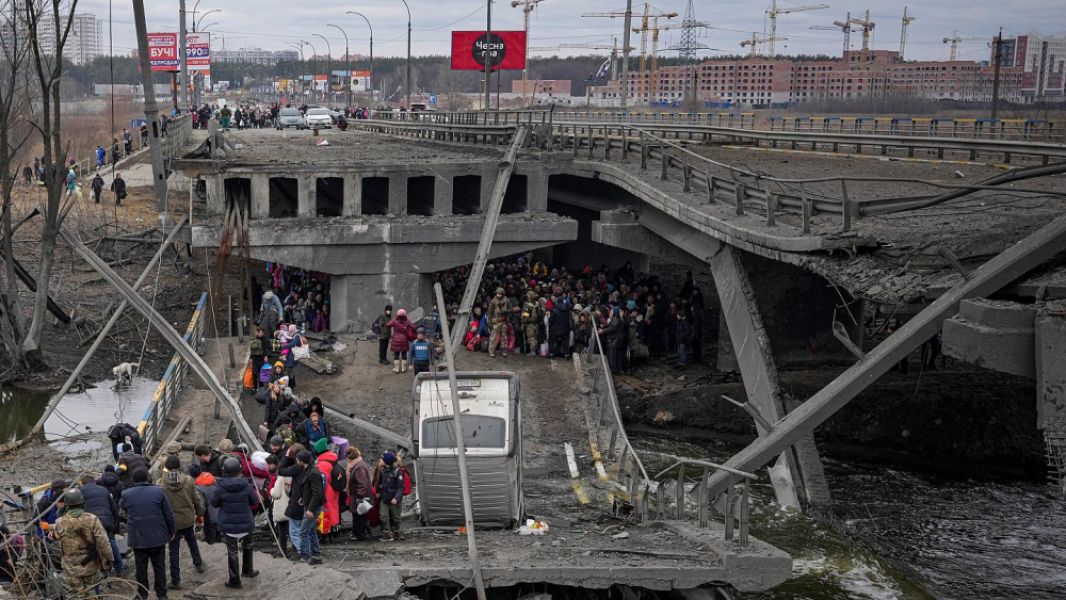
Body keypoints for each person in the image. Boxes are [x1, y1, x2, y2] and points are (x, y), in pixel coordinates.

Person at [121, 469, 176, 600]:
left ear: (133, 480)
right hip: (157, 536)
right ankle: (162, 594)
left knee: (141, 567)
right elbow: (169, 514)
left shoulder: (126, 494)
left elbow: (122, 509)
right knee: (159, 566)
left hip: (138, 537)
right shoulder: (159, 491)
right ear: (147, 479)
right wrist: (172, 531)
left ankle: (142, 594)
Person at [51, 488, 113, 596]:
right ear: (82, 502)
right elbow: (103, 542)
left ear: (66, 505)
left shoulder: (59, 522)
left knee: (77, 594)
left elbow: (56, 539)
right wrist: (109, 558)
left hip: (71, 567)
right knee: (92, 593)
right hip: (90, 565)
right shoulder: (92, 519)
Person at [157, 455, 205, 590]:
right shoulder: (188, 480)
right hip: (188, 519)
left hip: (172, 523)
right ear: (179, 466)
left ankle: (175, 580)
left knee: (174, 551)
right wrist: (200, 514)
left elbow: (160, 505)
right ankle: (199, 564)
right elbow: (196, 500)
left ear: (166, 468)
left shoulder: (161, 484)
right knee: (192, 542)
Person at [212, 457, 259, 589]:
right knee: (248, 545)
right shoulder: (246, 485)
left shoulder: (220, 487)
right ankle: (248, 570)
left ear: (224, 470)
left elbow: (214, 504)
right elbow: (255, 502)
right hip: (246, 523)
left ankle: (234, 580)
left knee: (232, 552)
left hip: (228, 525)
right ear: (239, 469)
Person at [78, 474, 124, 576]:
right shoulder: (103, 490)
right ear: (94, 481)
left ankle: (100, 571)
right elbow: (114, 508)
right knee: (111, 541)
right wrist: (114, 523)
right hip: (106, 521)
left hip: (90, 523)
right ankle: (119, 567)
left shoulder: (79, 492)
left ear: (83, 483)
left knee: (92, 546)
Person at [286, 450, 324, 564]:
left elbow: (318, 494)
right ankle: (316, 555)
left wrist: (310, 509)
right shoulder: (308, 470)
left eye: (298, 460)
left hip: (314, 507)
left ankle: (305, 557)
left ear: (302, 461)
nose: (297, 462)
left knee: (303, 531)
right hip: (311, 505)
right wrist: (303, 499)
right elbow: (310, 490)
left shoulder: (313, 473)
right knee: (310, 530)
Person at [315, 440, 344, 540]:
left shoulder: (322, 464)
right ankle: (334, 531)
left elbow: (321, 480)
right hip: (333, 490)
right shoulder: (332, 459)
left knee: (324, 513)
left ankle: (324, 533)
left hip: (326, 491)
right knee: (333, 510)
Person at [375, 451, 404, 541]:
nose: (380, 460)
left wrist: (396, 498)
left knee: (396, 517)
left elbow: (401, 487)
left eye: (382, 459)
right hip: (384, 498)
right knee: (383, 516)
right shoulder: (382, 471)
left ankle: (397, 533)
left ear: (386, 461)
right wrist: (378, 492)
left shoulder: (397, 472)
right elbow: (380, 483)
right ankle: (387, 534)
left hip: (394, 499)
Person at [345, 447, 372, 541]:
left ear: (349, 457)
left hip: (359, 496)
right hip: (357, 496)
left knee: (359, 516)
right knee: (358, 515)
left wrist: (359, 497)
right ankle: (357, 533)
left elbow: (362, 484)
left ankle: (360, 534)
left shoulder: (359, 467)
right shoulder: (358, 465)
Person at [269, 466, 293, 558]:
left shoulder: (280, 478)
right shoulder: (290, 477)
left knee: (282, 530)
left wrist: (271, 490)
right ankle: (287, 549)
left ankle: (283, 551)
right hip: (288, 505)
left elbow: (276, 493)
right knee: (288, 529)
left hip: (281, 507)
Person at [192, 467, 220, 545]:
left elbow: (201, 506)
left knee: (211, 540)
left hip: (210, 517)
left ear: (193, 477)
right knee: (218, 536)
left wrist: (199, 519)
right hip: (220, 513)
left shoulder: (199, 488)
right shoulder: (213, 478)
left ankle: (212, 545)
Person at [386, 308, 415, 373]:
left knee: (396, 355)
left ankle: (396, 369)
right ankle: (403, 368)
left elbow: (387, 325)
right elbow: (414, 327)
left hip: (395, 340)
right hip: (404, 340)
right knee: (404, 354)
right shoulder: (408, 321)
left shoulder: (394, 321)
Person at [488, 287, 512, 358]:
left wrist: (507, 313)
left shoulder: (506, 300)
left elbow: (510, 308)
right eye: (497, 293)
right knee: (494, 337)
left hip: (504, 321)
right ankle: (491, 350)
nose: (498, 295)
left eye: (500, 294)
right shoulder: (493, 301)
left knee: (504, 336)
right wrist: (489, 321)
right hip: (496, 321)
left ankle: (503, 350)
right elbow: (489, 312)